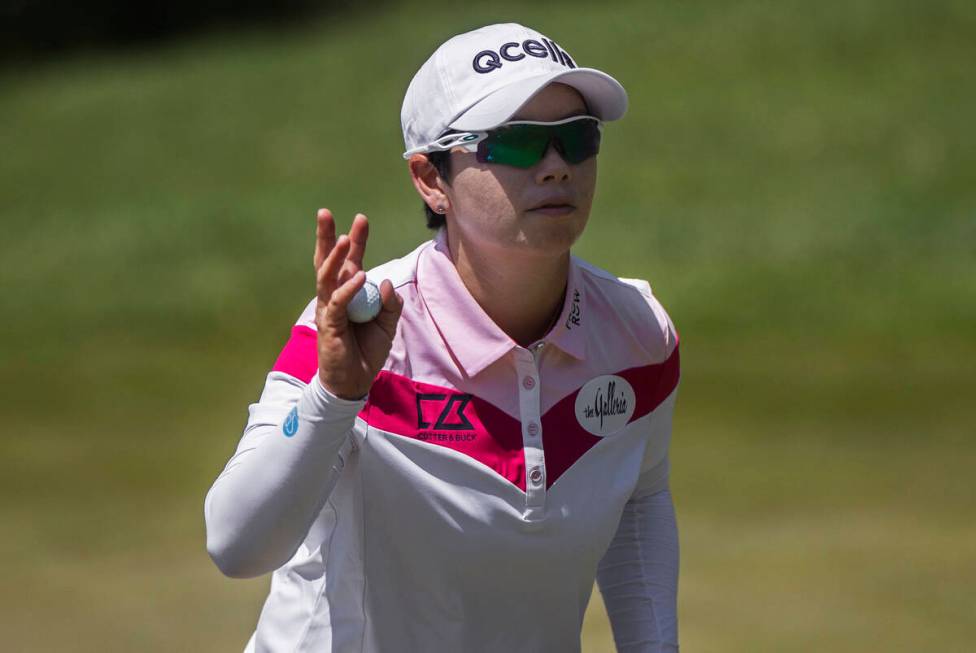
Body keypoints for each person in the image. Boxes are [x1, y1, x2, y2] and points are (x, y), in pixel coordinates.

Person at [205, 22, 680, 653]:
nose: (557, 167)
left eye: (576, 138)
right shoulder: (354, 329)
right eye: (515, 144)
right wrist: (334, 395)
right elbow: (236, 545)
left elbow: (638, 508)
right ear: (431, 179)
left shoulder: (639, 334)